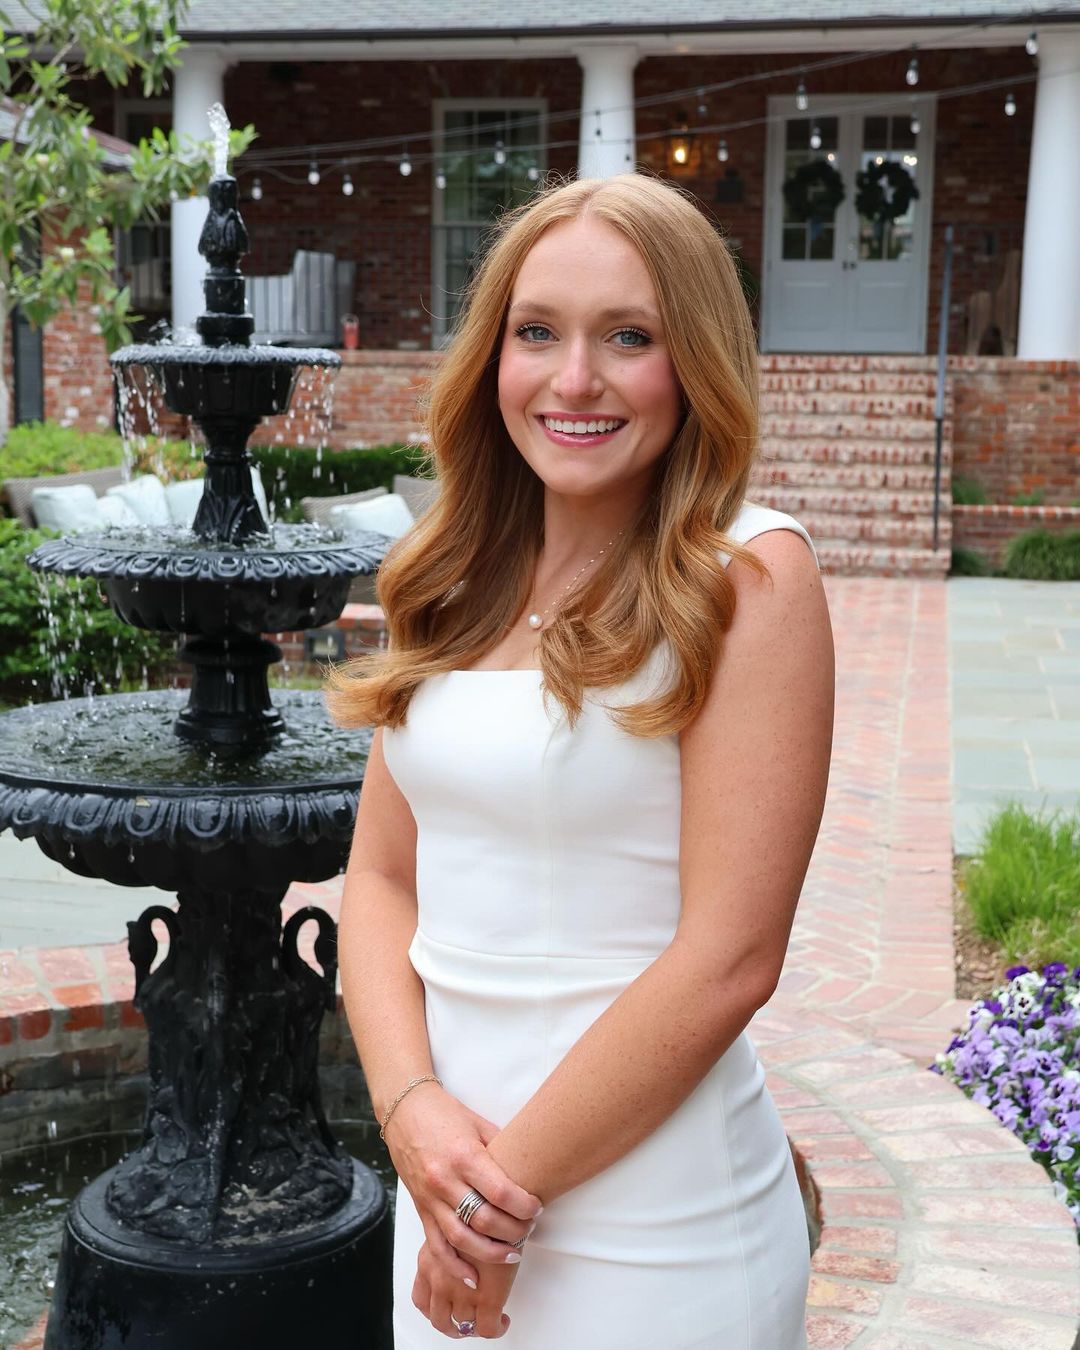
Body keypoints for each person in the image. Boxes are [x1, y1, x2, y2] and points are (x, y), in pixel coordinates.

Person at [329, 171, 834, 1347]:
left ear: (696, 360)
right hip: (446, 1192)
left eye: (629, 337)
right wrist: (412, 1118)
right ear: (491, 356)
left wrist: (490, 1203)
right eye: (537, 332)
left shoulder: (749, 576)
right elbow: (382, 879)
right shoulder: (447, 574)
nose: (573, 380)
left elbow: (730, 959)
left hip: (658, 1232)